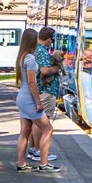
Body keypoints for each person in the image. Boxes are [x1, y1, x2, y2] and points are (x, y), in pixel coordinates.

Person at [13, 28, 59, 173]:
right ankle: (44, 163)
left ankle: (21, 162)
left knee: (24, 132)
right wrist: (38, 102)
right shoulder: (30, 58)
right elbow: (32, 83)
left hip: (22, 97)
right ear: (33, 40)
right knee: (48, 129)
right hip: (29, 98)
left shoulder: (22, 57)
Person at [29, 28, 63, 163]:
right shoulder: (42, 51)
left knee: (36, 122)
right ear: (49, 39)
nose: (52, 42)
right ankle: (39, 151)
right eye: (52, 40)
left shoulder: (36, 50)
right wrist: (57, 68)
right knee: (42, 123)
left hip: (41, 91)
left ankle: (34, 149)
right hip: (46, 91)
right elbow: (45, 71)